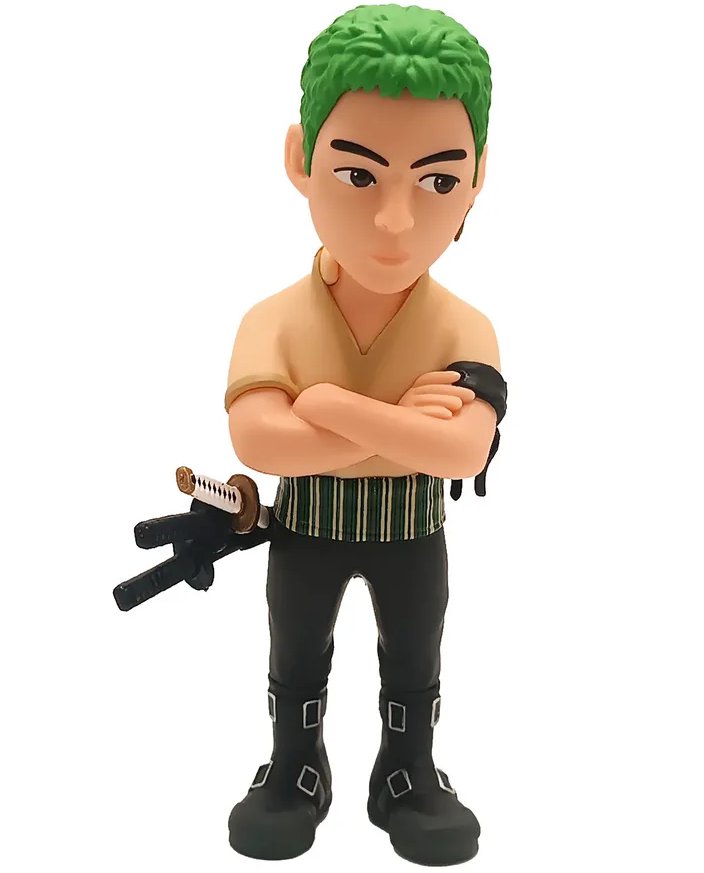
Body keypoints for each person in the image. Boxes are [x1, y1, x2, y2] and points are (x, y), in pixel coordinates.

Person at [225, 4, 505, 866]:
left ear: (477, 179)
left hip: (412, 531)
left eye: (437, 182)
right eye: (358, 174)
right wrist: (399, 425)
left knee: (415, 655)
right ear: (300, 160)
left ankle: (407, 770)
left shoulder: (465, 328)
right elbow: (258, 441)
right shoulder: (273, 319)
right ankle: (295, 766)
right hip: (305, 529)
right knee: (295, 650)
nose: (394, 221)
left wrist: (330, 406)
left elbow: (465, 449)